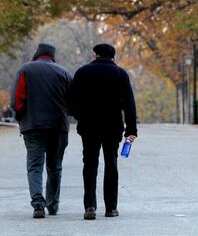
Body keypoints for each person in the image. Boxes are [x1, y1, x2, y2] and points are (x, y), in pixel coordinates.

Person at [68, 43, 138, 220]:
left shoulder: (82, 72)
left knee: (90, 164)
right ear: (113, 56)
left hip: (89, 126)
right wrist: (131, 129)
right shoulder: (120, 74)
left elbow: (70, 100)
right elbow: (129, 103)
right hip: (112, 126)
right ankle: (111, 208)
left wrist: (80, 116)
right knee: (111, 164)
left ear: (95, 55)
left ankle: (90, 206)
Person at [11, 43, 73, 219]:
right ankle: (53, 205)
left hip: (33, 126)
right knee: (55, 166)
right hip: (58, 126)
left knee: (35, 165)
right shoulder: (64, 73)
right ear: (53, 56)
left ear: (37, 54)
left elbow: (17, 99)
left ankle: (38, 204)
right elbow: (72, 101)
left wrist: (22, 115)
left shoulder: (26, 70)